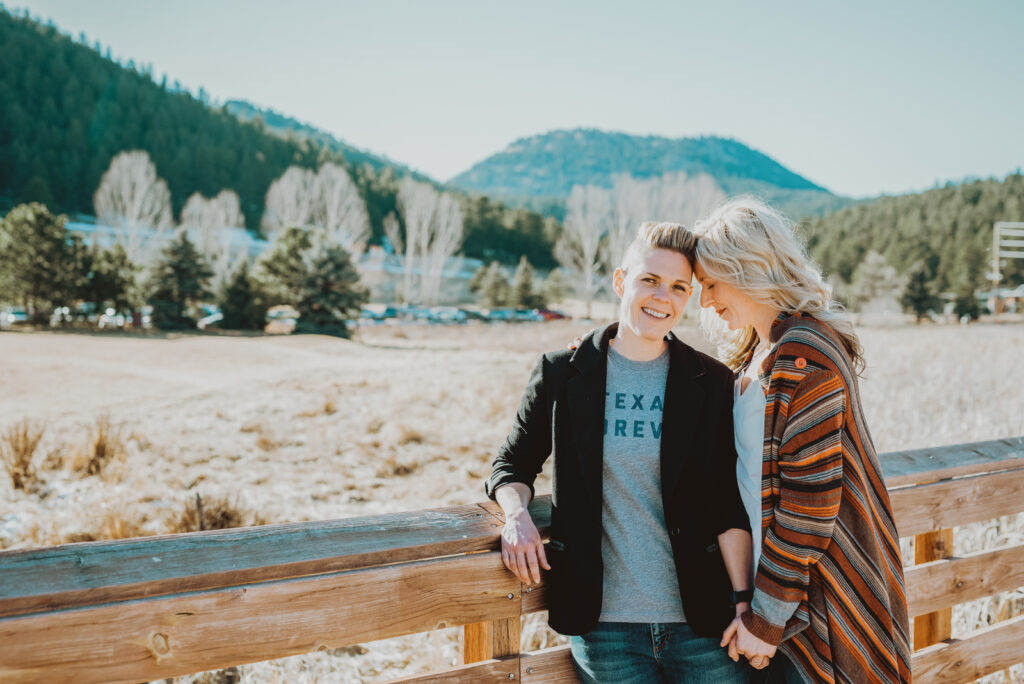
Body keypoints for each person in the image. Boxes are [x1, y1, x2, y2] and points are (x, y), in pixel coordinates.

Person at [485, 221, 754, 683]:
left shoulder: (711, 382)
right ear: (620, 281)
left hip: (704, 623)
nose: (662, 297)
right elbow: (511, 463)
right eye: (649, 280)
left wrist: (744, 601)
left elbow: (727, 503)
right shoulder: (563, 373)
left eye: (678, 287)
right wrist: (516, 516)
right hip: (604, 627)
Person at [692, 198, 912, 683]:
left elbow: (809, 506)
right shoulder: (758, 351)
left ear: (746, 269)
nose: (704, 301)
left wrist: (767, 621)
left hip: (816, 602)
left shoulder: (804, 356)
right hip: (772, 592)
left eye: (711, 284)